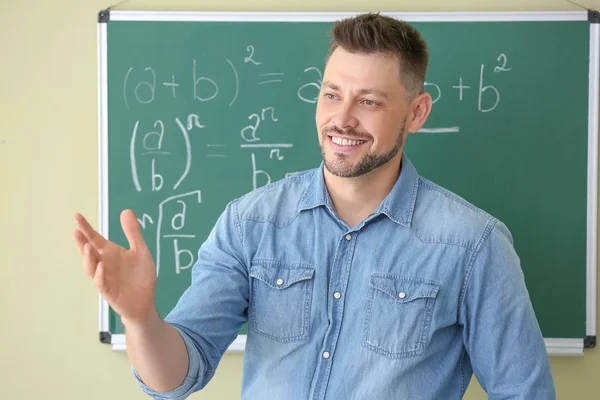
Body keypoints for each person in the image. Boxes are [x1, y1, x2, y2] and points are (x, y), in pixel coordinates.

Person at [73, 12, 555, 399]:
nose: (341, 119)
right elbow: (174, 380)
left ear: (416, 113)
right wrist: (139, 319)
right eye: (331, 94)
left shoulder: (474, 244)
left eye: (369, 101)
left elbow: (524, 391)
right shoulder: (250, 222)